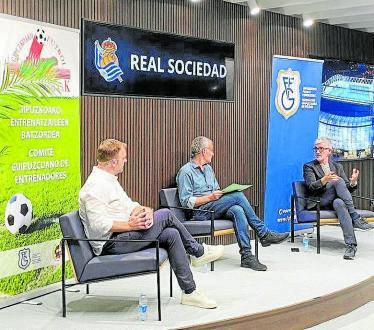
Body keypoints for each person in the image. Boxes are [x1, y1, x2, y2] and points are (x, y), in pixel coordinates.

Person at [79, 139, 224, 309]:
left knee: (172, 234)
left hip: (124, 235)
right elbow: (98, 224)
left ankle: (190, 292)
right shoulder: (94, 186)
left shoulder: (109, 179)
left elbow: (129, 205)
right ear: (113, 162)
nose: (126, 161)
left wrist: (143, 210)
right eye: (123, 158)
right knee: (166, 214)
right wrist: (131, 226)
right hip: (111, 243)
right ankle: (198, 252)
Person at [176, 136, 289, 272]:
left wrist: (219, 193)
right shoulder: (186, 172)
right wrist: (210, 197)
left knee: (237, 210)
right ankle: (263, 233)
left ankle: (247, 256)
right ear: (204, 151)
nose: (213, 153)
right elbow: (186, 201)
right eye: (211, 150)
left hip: (215, 206)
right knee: (238, 196)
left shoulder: (208, 169)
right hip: (200, 212)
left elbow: (215, 189)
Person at [303, 137, 374, 260]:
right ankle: (355, 217)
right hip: (319, 201)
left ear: (329, 151)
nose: (317, 151)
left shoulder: (337, 167)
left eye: (321, 148)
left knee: (339, 202)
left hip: (334, 201)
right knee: (337, 181)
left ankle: (351, 245)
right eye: (316, 148)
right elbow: (310, 187)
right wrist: (324, 180)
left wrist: (353, 183)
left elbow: (346, 189)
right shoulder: (309, 166)